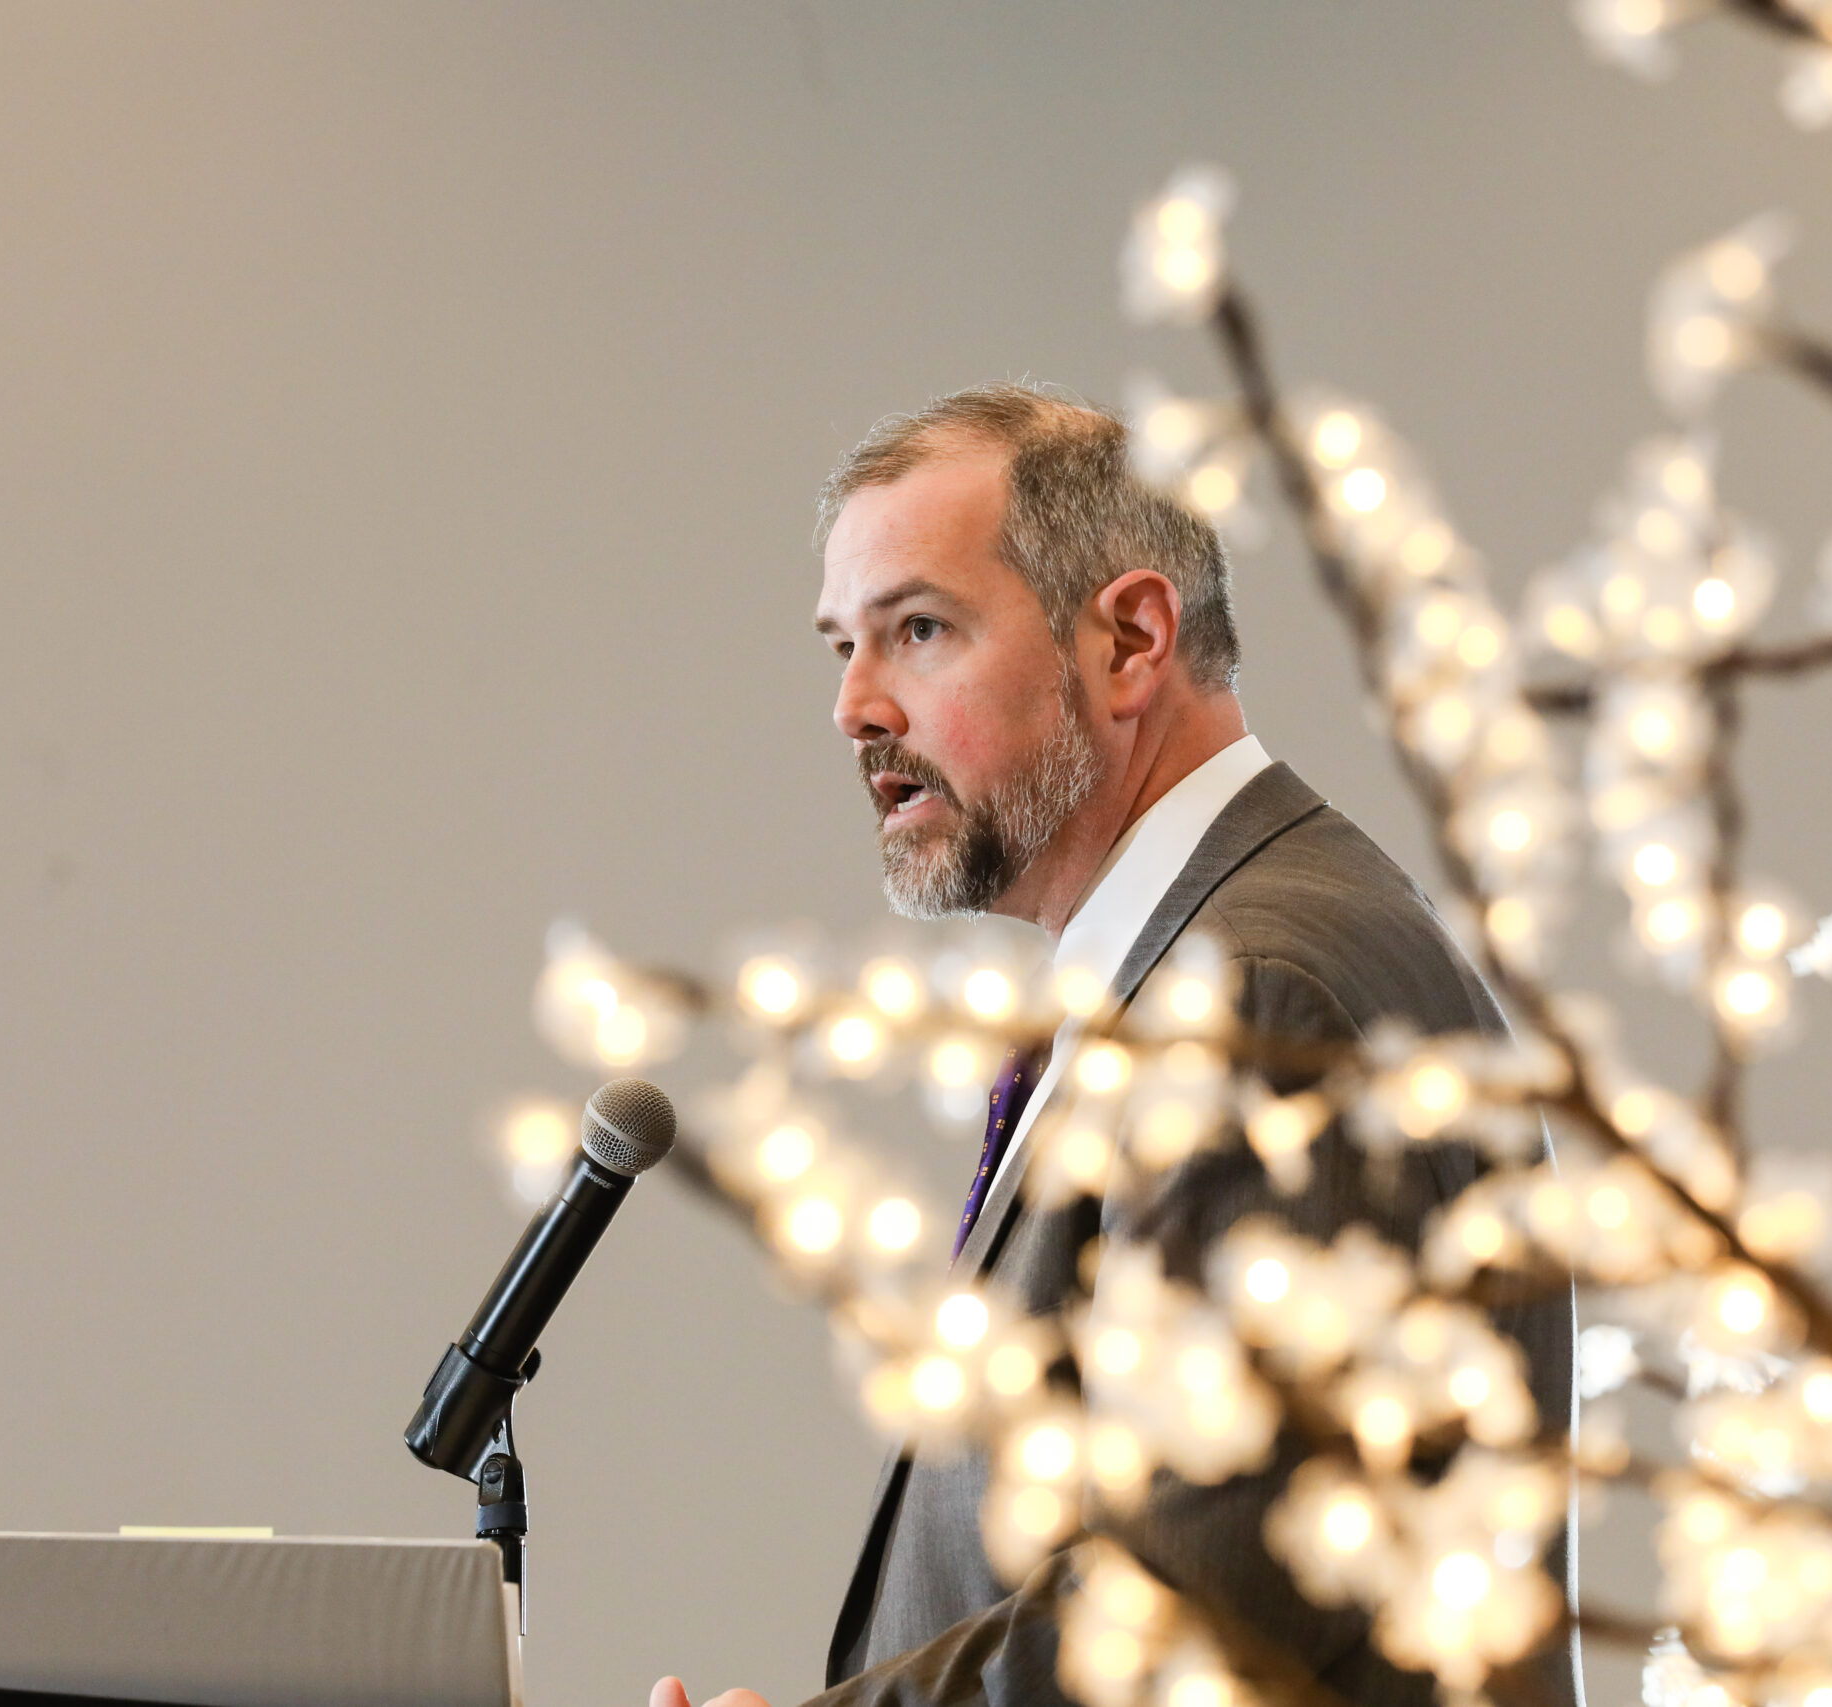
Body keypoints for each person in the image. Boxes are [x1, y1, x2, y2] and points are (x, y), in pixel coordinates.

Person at [652, 384, 1577, 1707]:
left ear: (1135, 641)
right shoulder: (1182, 979)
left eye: (918, 630)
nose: (855, 706)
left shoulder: (1261, 997)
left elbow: (1195, 1616)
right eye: (839, 647)